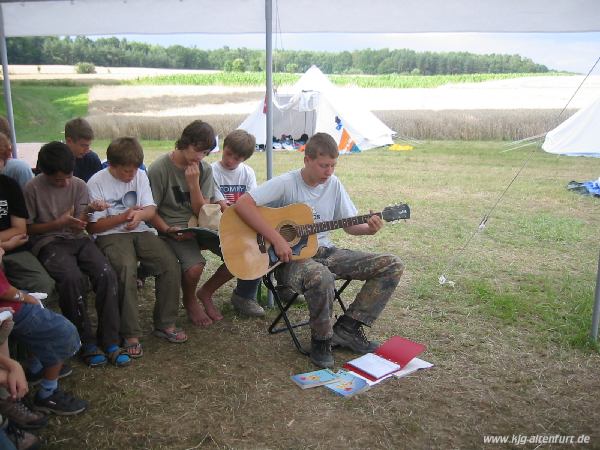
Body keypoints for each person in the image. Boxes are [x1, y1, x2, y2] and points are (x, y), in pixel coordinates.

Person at [234, 132, 404, 368]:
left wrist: (369, 229)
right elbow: (243, 204)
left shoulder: (334, 185)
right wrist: (277, 238)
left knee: (392, 264)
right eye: (324, 165)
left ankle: (348, 328)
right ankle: (321, 341)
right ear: (307, 160)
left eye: (333, 165)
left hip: (325, 252)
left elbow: (349, 225)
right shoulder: (286, 183)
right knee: (320, 277)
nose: (329, 171)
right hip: (287, 260)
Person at [23, 141, 130, 368]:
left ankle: (110, 340)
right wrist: (56, 223)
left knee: (106, 273)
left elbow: (80, 224)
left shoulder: (79, 185)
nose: (64, 183)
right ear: (43, 172)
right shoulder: (32, 188)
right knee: (71, 279)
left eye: (68, 177)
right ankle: (85, 342)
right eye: (57, 180)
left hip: (77, 239)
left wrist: (89, 211)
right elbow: (28, 229)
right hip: (48, 242)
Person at [87, 137, 186, 356]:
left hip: (139, 230)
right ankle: (130, 332)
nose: (130, 175)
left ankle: (165, 323)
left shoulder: (140, 175)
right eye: (125, 171)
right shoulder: (96, 182)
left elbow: (150, 209)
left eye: (133, 170)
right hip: (110, 234)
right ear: (111, 165)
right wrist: (123, 217)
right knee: (125, 269)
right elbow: (93, 227)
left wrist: (138, 215)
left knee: (169, 263)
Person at [147, 120, 230, 327]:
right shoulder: (159, 168)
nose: (200, 157)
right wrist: (167, 230)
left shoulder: (205, 169)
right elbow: (150, 212)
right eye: (197, 150)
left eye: (205, 153)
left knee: (239, 257)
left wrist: (193, 185)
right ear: (184, 142)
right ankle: (190, 298)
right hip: (174, 227)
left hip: (202, 224)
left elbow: (203, 212)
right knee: (194, 268)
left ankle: (206, 292)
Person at [0, 245, 87, 419]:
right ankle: (48, 393)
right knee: (62, 333)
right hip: (7, 307)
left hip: (8, 303)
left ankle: (36, 368)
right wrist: (25, 297)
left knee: (42, 307)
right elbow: (5, 291)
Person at [211, 129, 264, 317]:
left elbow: (252, 200)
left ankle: (246, 295)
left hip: (242, 222)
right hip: (220, 225)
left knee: (263, 244)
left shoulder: (247, 173)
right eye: (228, 154)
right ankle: (238, 295)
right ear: (223, 148)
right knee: (248, 248)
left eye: (237, 158)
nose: (230, 160)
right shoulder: (212, 171)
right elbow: (222, 205)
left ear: (244, 159)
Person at [0, 174, 56, 303]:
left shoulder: (8, 184)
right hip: (10, 244)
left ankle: (34, 318)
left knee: (43, 284)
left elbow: (20, 229)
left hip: (15, 250)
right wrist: (5, 244)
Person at [64, 117, 102, 182]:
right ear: (69, 141)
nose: (87, 150)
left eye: (88, 145)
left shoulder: (92, 160)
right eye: (83, 145)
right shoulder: (55, 160)